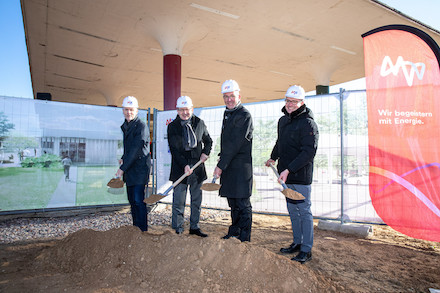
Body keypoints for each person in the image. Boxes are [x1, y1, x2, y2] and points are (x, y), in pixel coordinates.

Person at [265, 85, 319, 264]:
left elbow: (308, 152)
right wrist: (273, 158)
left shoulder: (308, 123)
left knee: (303, 211)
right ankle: (297, 242)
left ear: (302, 102)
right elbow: (280, 142)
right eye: (288, 101)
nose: (290, 104)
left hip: (300, 175)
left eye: (294, 102)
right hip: (285, 174)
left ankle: (306, 249)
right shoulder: (283, 121)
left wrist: (289, 169)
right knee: (292, 211)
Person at [214, 79, 253, 242]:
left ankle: (244, 237)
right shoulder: (228, 114)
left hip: (241, 168)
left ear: (239, 96)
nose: (229, 99)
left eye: (232, 96)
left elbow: (235, 143)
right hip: (230, 166)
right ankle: (235, 231)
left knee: (242, 203)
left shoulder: (244, 115)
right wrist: (222, 161)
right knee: (233, 202)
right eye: (226, 96)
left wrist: (220, 165)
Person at [167, 96, 213, 236]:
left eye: (187, 110)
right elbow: (174, 150)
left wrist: (205, 153)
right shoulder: (172, 127)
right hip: (180, 168)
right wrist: (185, 165)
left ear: (192, 109)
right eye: (181, 110)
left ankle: (194, 227)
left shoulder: (199, 123)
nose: (185, 113)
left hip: (197, 168)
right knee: (179, 201)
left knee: (196, 200)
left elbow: (208, 141)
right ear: (177, 110)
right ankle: (178, 227)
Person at [116, 96, 151, 232]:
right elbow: (129, 149)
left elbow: (136, 149)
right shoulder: (126, 126)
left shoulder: (141, 126)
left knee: (138, 200)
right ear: (123, 110)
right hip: (130, 169)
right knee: (132, 201)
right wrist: (124, 158)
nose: (128, 112)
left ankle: (142, 231)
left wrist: (122, 168)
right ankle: (135, 229)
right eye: (126, 109)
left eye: (131, 110)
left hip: (140, 170)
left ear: (136, 110)